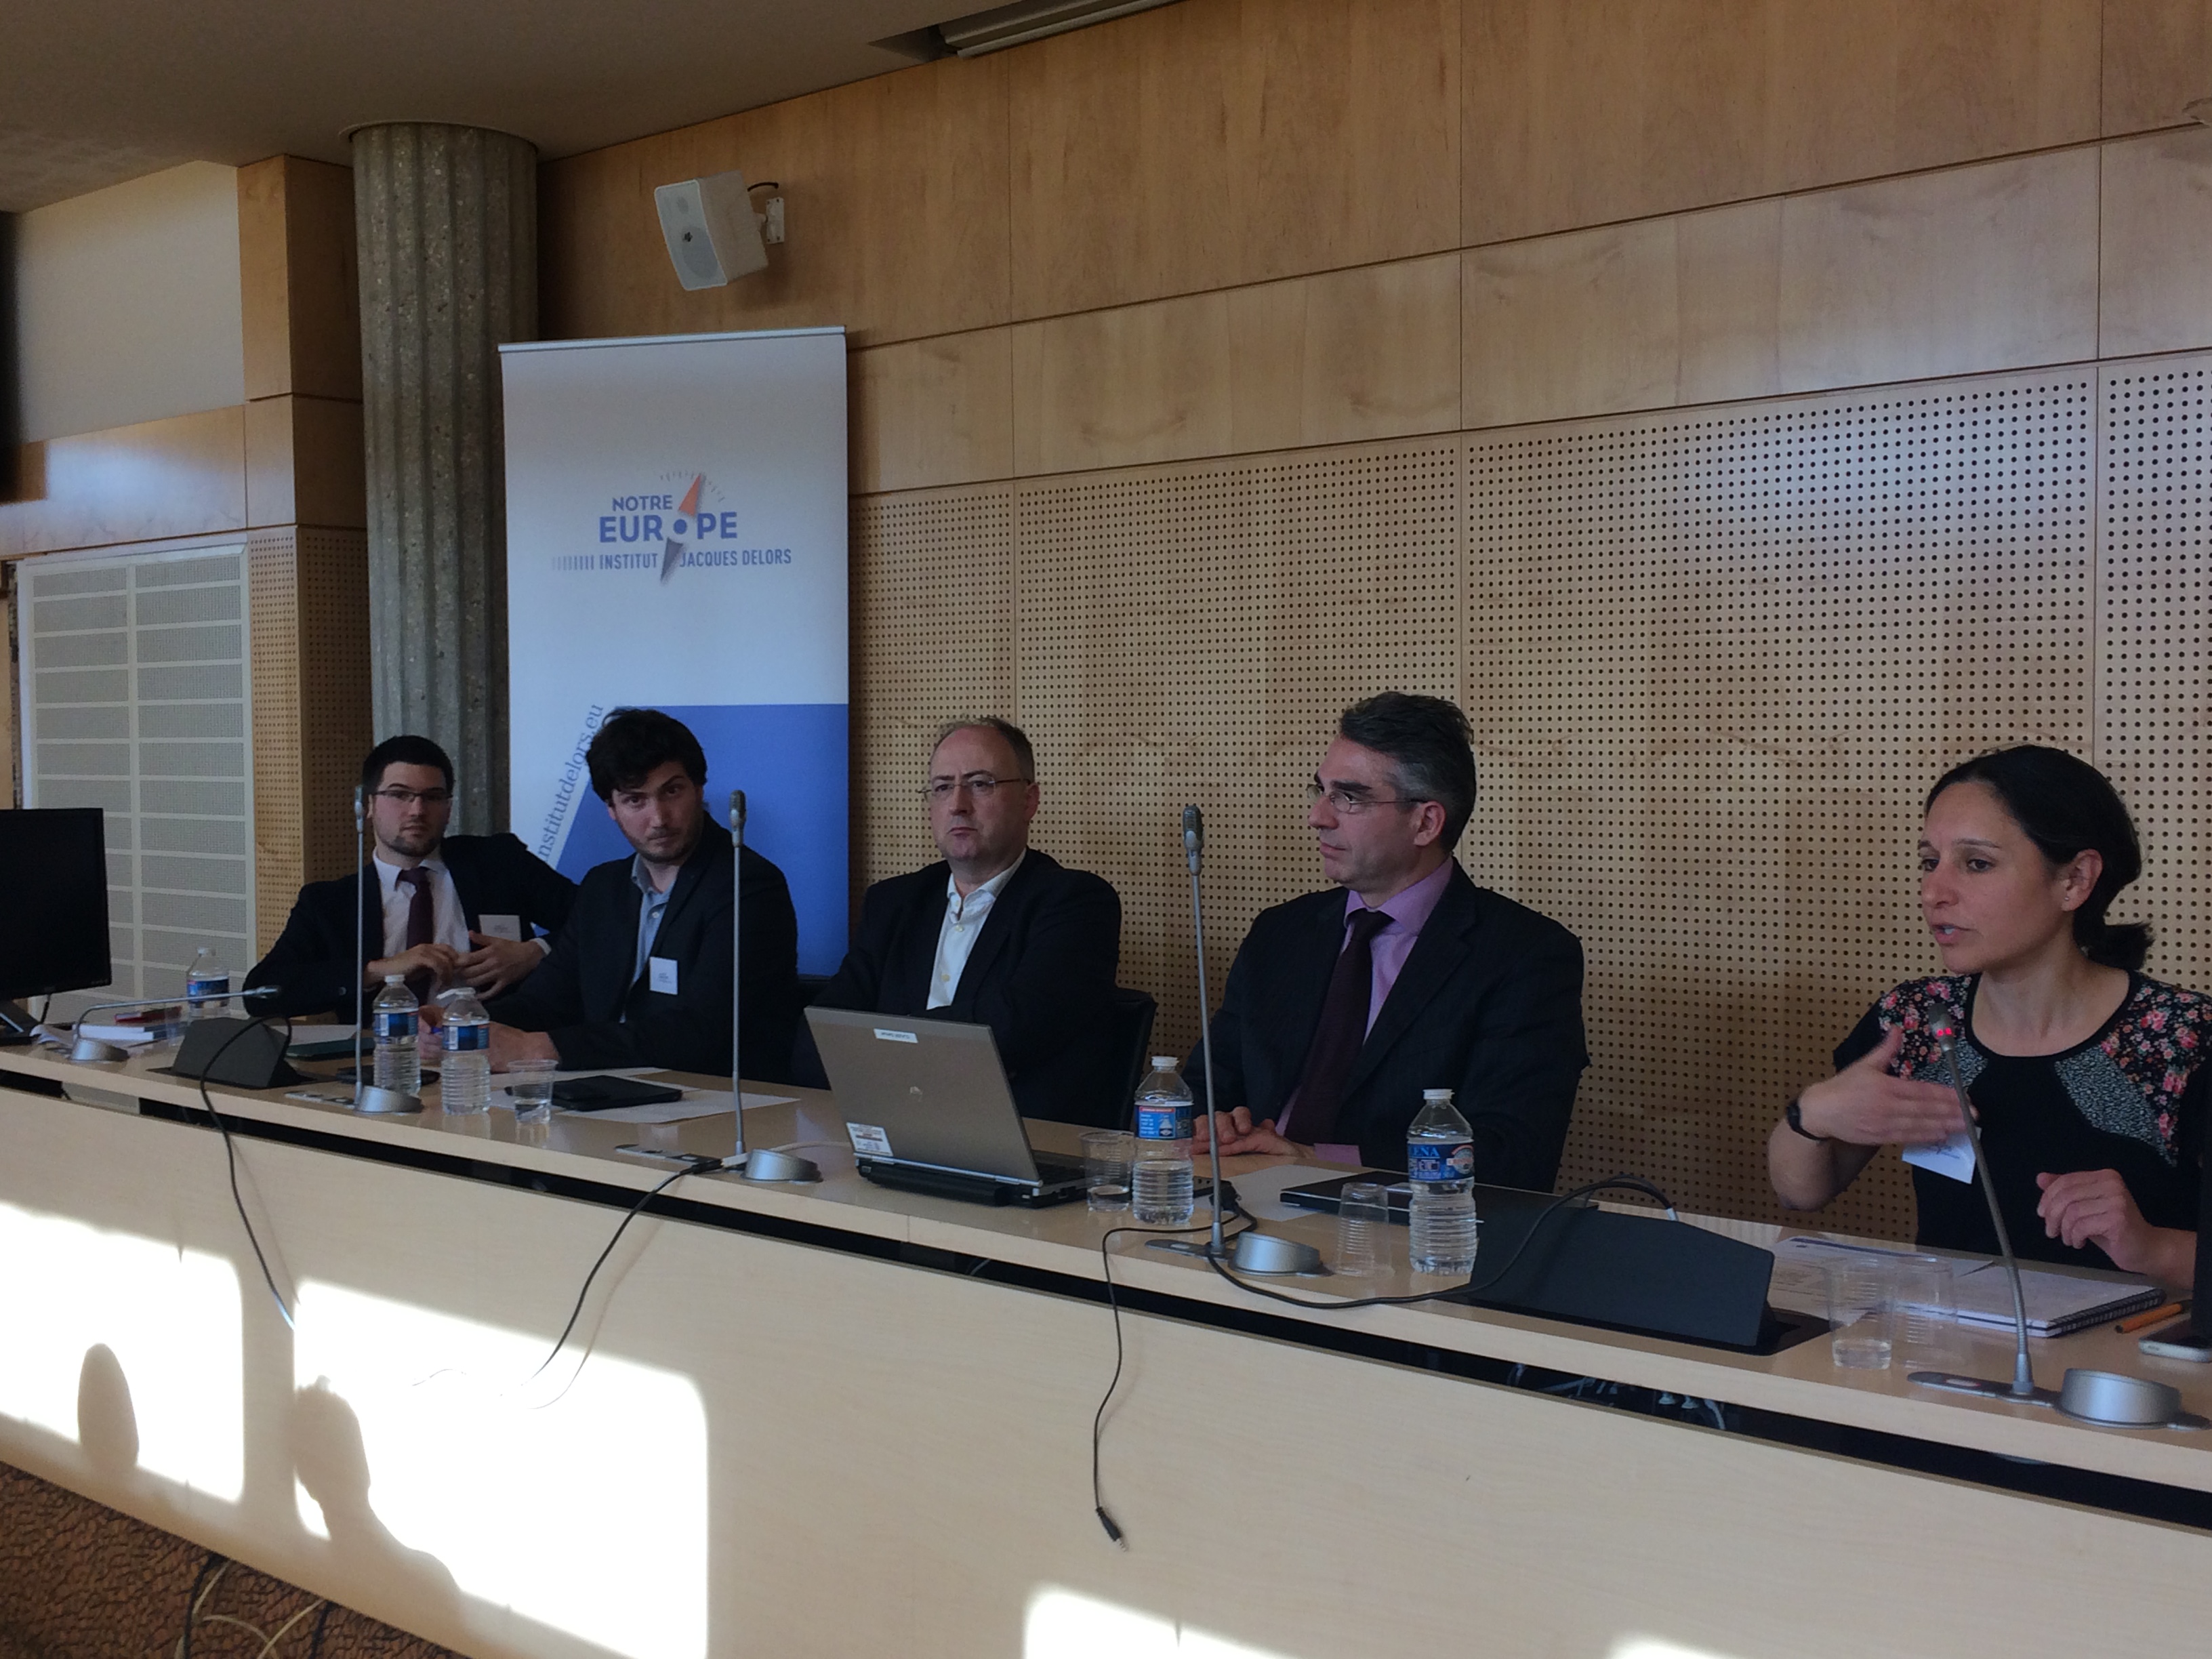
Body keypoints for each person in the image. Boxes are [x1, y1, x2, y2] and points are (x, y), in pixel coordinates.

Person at [1768, 747, 2208, 1282]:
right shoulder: (1918, 1020)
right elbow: (1800, 1191)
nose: (1933, 892)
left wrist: (2154, 1248)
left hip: (2139, 1336)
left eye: (1977, 864)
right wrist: (1812, 1114)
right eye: (1929, 862)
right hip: (1945, 1331)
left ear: (2074, 880)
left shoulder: (2182, 1038)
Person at [1188, 693, 1588, 1184]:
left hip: (1399, 1217)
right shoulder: (1280, 932)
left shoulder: (1525, 956)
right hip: (1239, 1198)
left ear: (1425, 822)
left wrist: (1313, 1159)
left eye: (1349, 797)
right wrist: (1212, 1124)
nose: (1318, 816)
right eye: (1321, 790)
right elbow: (1202, 1088)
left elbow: (1514, 1154)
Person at [790, 718, 1124, 1126]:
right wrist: (915, 1050)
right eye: (943, 787)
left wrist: (879, 1046)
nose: (958, 804)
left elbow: (1014, 1030)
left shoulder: (1076, 902)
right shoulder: (893, 903)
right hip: (886, 1129)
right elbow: (819, 1035)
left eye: (980, 784)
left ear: (1029, 801)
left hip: (1013, 1137)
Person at [481, 708, 802, 1079]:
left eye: (672, 791)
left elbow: (704, 1031)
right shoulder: (603, 888)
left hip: (718, 1097)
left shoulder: (749, 885)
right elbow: (544, 1002)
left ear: (699, 789)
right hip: (607, 1091)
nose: (659, 818)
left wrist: (542, 1049)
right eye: (636, 800)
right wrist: (460, 1023)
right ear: (611, 809)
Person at [246, 735, 575, 1020]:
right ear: (368, 805)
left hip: (494, 1047)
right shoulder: (331, 903)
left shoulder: (499, 862)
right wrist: (378, 970)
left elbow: (594, 919)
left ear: (448, 808)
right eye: (400, 795)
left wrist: (535, 952)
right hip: (386, 1057)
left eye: (432, 797)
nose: (417, 810)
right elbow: (261, 993)